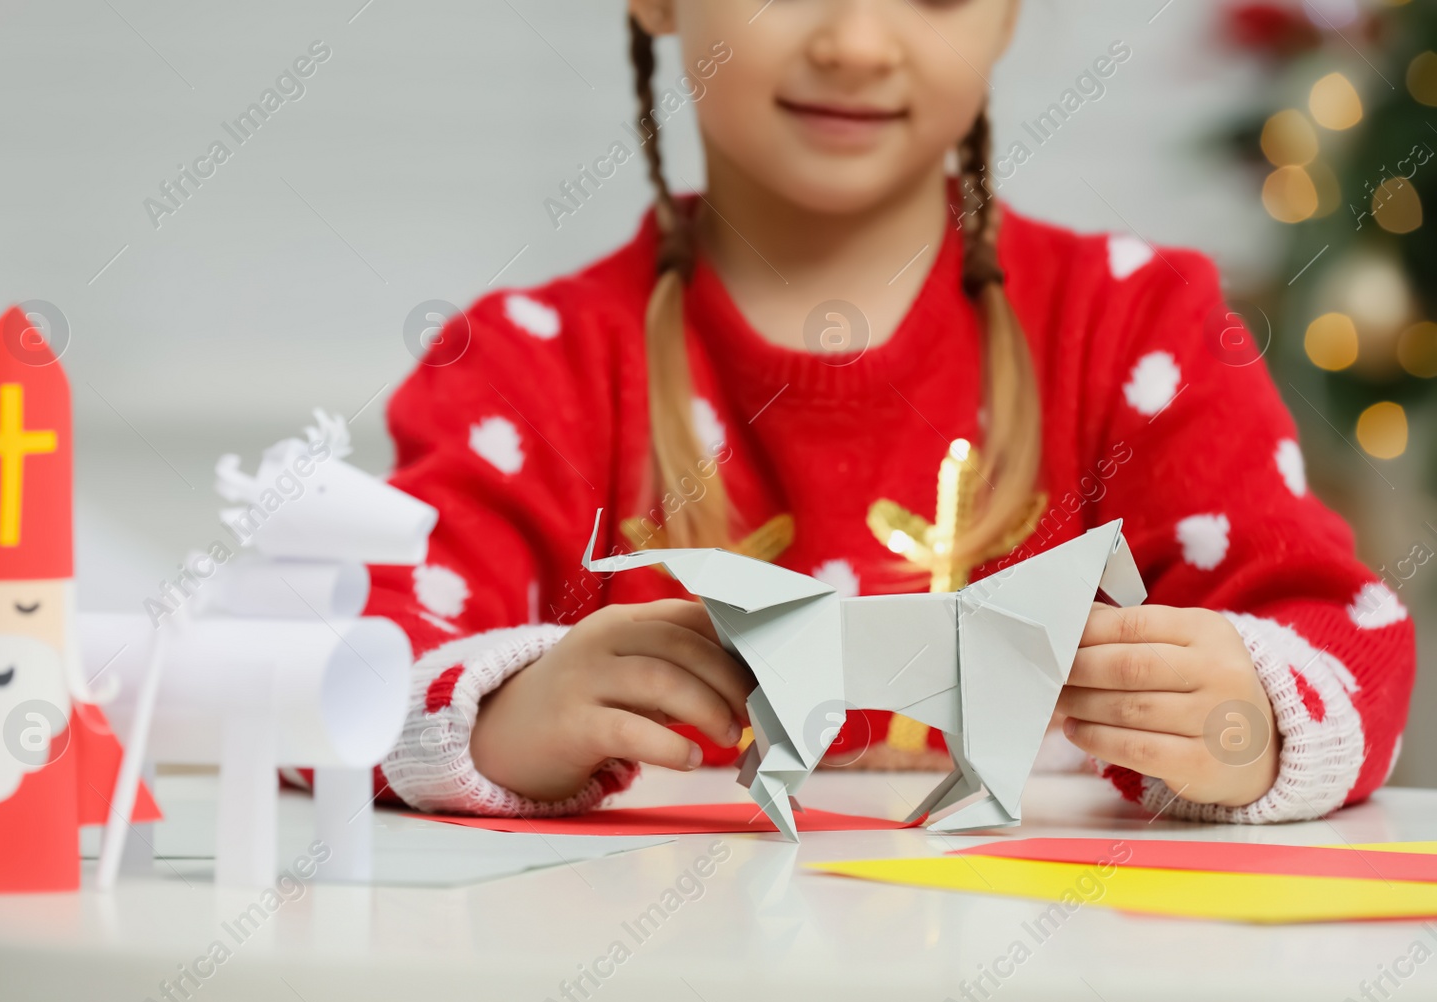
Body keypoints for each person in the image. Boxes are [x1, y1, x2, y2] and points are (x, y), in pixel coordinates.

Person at [362, 0, 1413, 825]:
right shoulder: (518, 368)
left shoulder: (1143, 329)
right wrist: (496, 722)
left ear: (1007, 13)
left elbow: (1351, 646)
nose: (858, 42)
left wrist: (1255, 721)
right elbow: (344, 679)